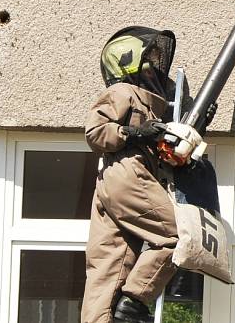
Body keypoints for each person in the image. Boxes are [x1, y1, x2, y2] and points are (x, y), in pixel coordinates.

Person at [81, 26, 188, 323]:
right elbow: (95, 131)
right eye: (149, 63)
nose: (155, 70)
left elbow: (171, 148)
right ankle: (134, 302)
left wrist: (199, 120)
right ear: (129, 64)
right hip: (127, 172)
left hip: (112, 180)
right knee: (177, 236)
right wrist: (134, 132)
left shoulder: (147, 104)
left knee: (108, 265)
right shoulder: (122, 92)